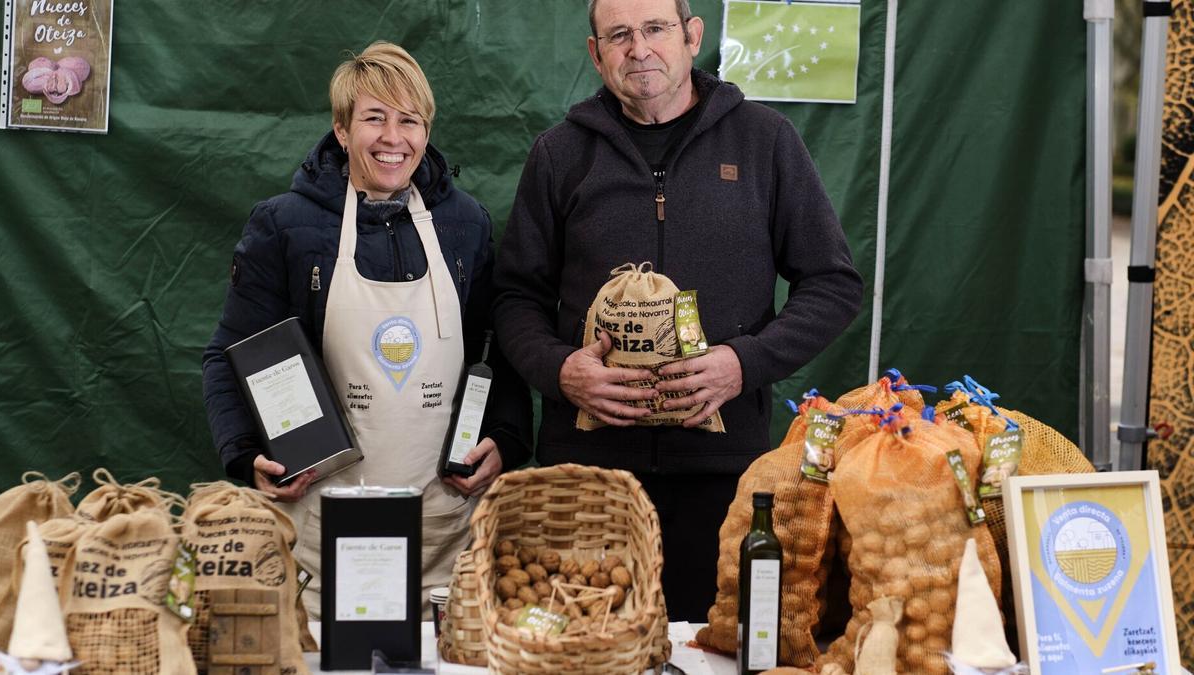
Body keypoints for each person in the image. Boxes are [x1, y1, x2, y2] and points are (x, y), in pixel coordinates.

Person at [492, 0, 863, 621]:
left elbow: (832, 283)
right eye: (619, 35)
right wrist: (561, 372)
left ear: (692, 37)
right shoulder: (559, 154)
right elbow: (514, 297)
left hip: (723, 481)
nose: (639, 49)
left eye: (656, 28)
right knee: (583, 652)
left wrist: (743, 364)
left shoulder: (765, 141)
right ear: (596, 53)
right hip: (587, 483)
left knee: (715, 650)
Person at [202, 41, 531, 618]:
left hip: (442, 527)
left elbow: (497, 351)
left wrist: (504, 436)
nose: (392, 138)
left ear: (427, 132)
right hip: (320, 527)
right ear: (341, 128)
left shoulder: (465, 224)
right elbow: (229, 355)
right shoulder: (285, 225)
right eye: (374, 118)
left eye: (410, 121)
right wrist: (245, 453)